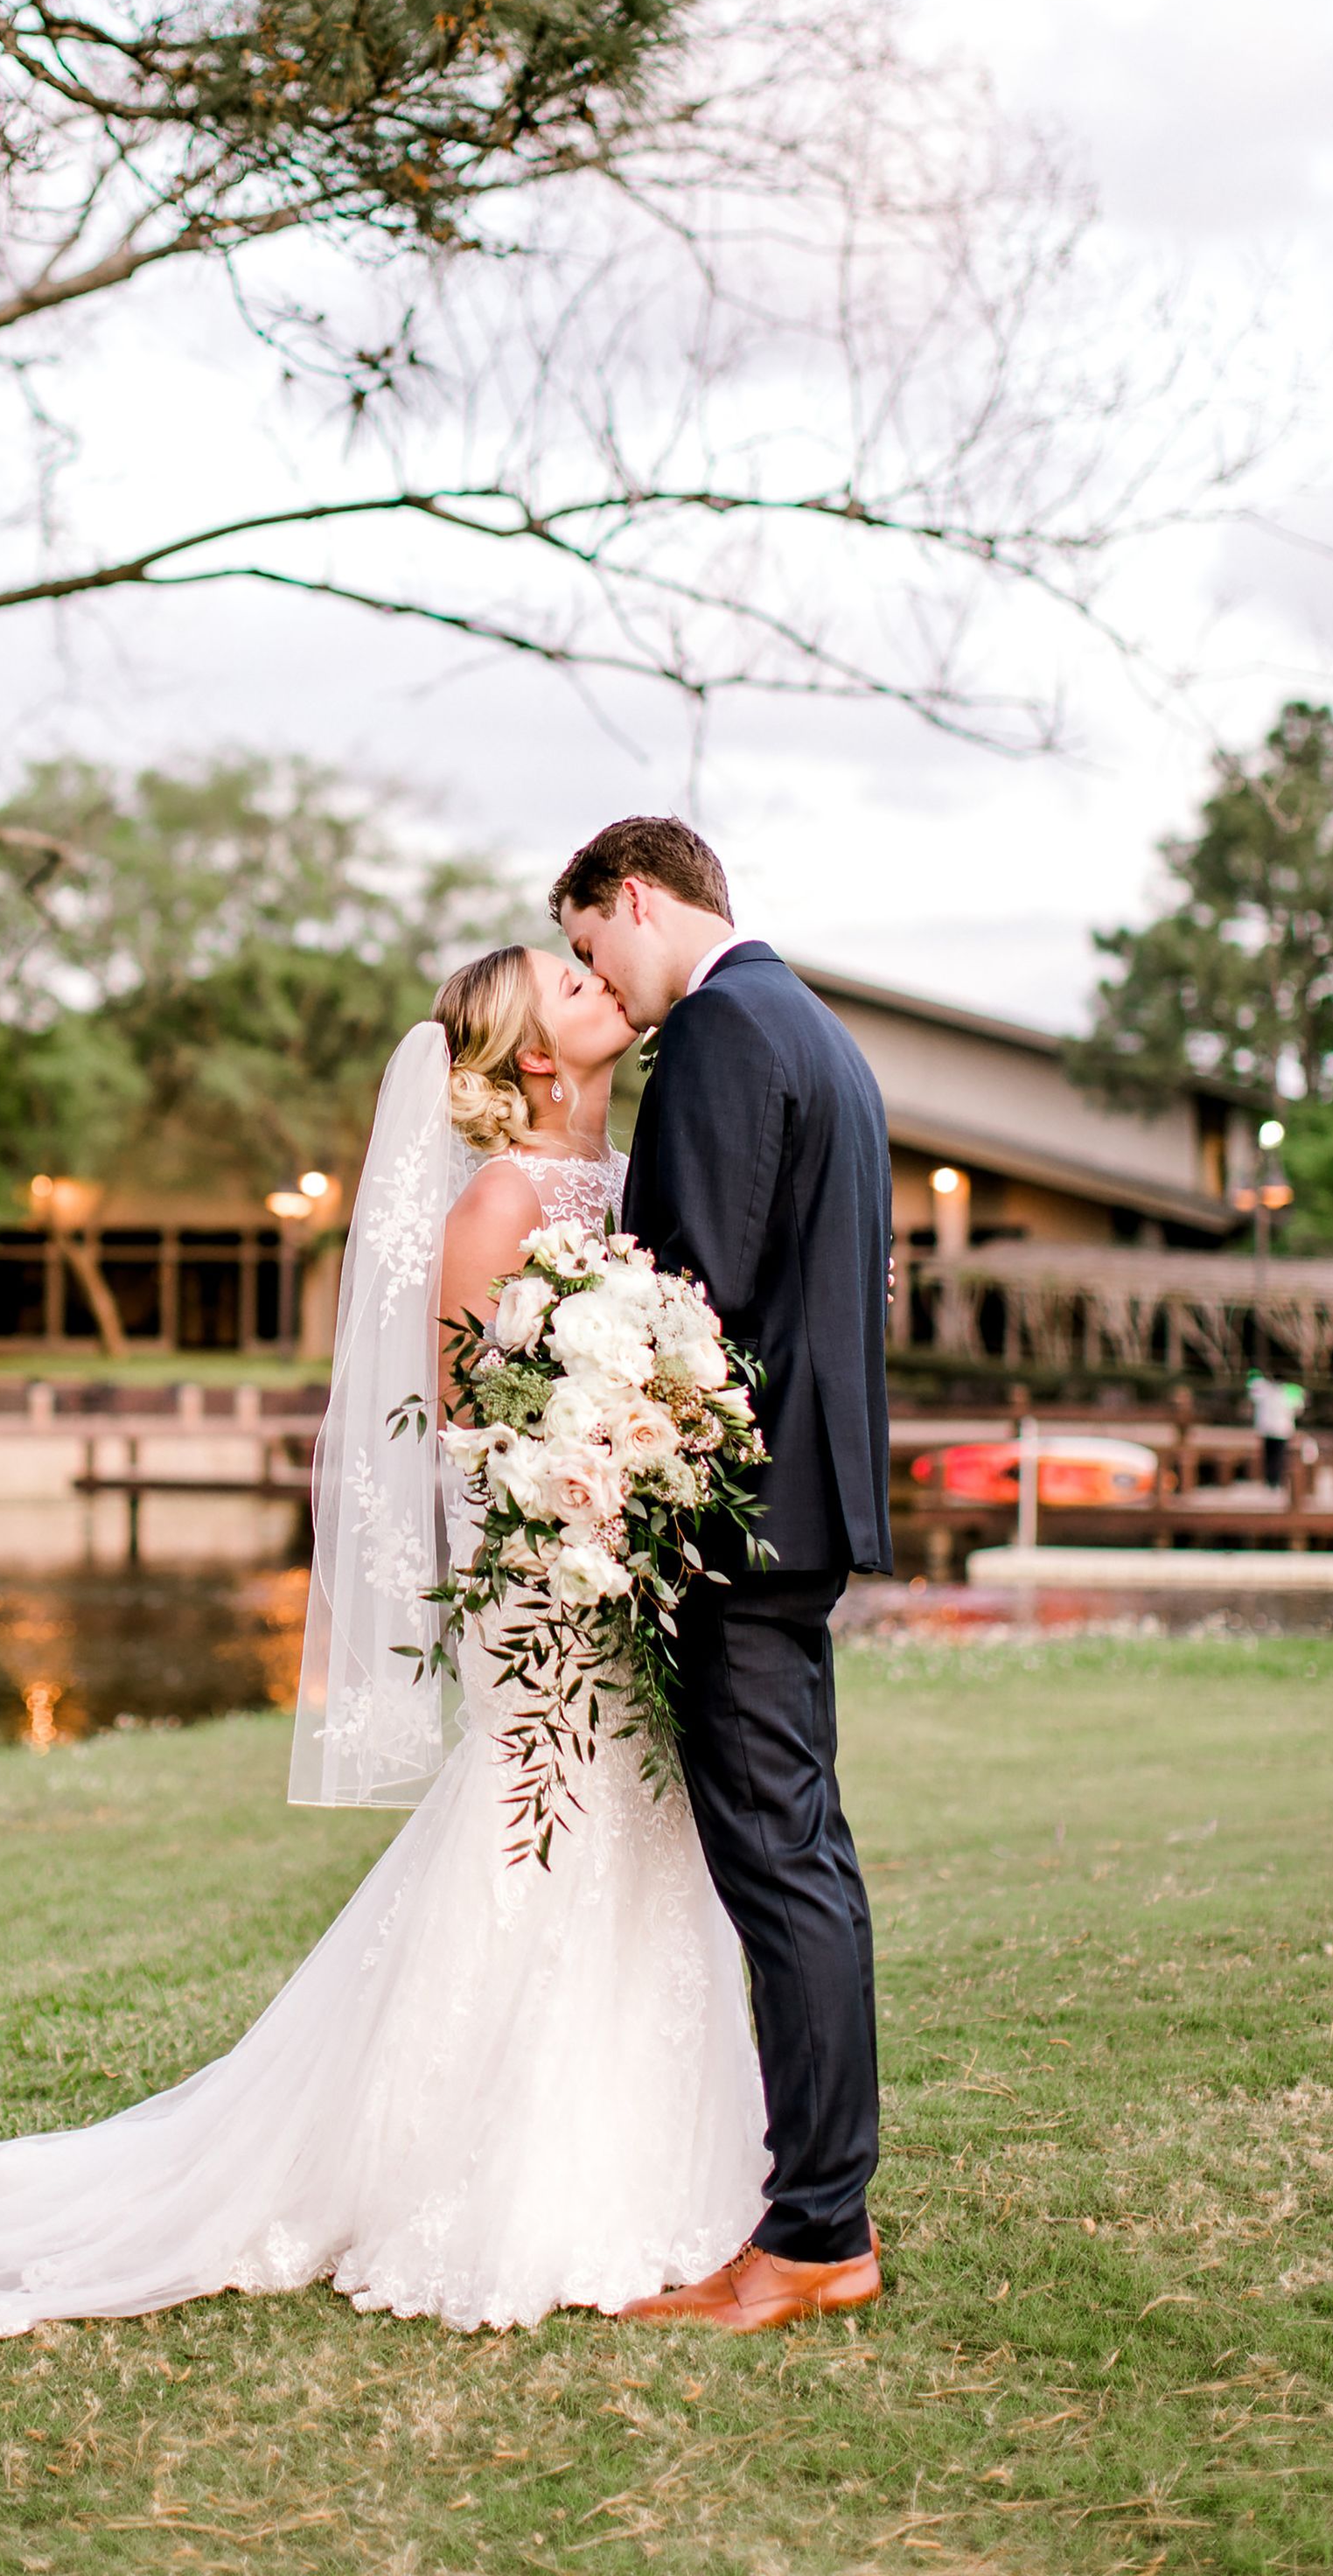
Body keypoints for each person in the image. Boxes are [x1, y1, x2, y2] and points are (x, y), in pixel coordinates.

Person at [0, 942, 766, 2356]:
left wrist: (661, 1440)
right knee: (537, 1822)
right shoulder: (499, 1200)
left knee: (641, 1829)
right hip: (541, 1574)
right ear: (535, 1054)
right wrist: (579, 1473)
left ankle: (663, 2156)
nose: (602, 983)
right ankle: (470, 2173)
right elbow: (462, 1423)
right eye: (572, 983)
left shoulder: (636, 1175)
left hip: (624, 1565)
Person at [555, 814, 891, 2335]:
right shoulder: (815, 1030)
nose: (604, 991)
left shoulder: (716, 1033)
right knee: (802, 1851)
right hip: (803, 1508)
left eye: (592, 949)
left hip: (738, 1523)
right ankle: (823, 2208)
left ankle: (816, 2234)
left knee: (782, 1862)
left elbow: (683, 1299)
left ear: (636, 898)